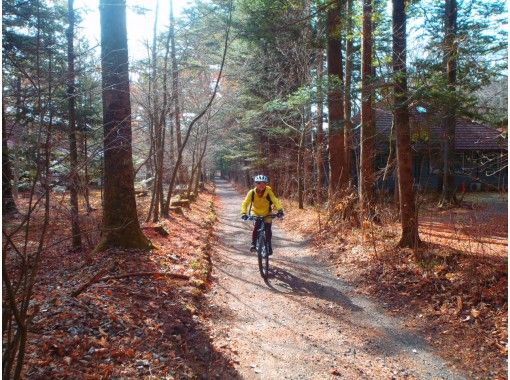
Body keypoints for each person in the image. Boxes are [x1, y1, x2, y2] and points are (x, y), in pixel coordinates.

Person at [240, 174, 284, 255]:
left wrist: (280, 210)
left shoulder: (268, 192)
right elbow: (245, 203)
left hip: (267, 213)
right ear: (256, 184)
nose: (261, 185)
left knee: (268, 229)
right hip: (256, 212)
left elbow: (275, 200)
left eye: (263, 183)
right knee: (256, 227)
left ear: (266, 184)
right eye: (259, 183)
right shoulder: (252, 192)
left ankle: (268, 245)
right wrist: (243, 213)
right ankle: (253, 244)